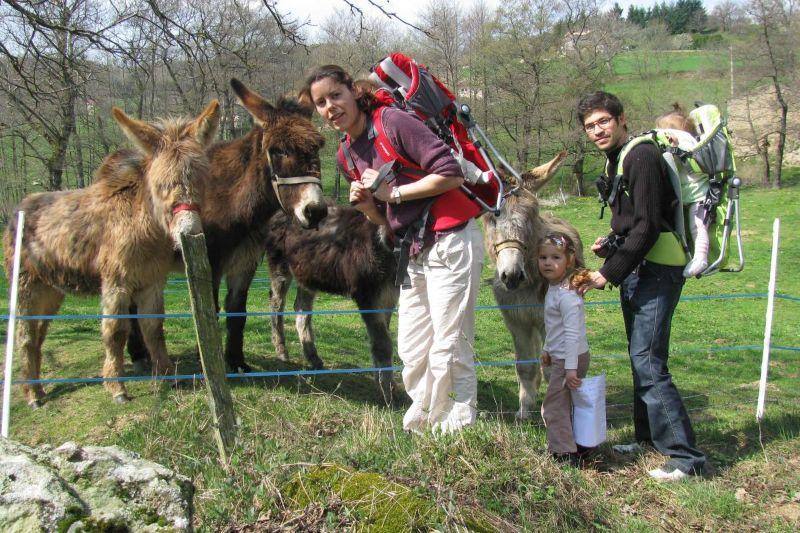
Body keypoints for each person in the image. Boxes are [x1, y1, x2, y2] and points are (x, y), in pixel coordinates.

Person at [299, 65, 484, 434]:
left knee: (450, 341)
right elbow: (385, 219)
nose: (330, 107)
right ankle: (427, 417)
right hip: (412, 251)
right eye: (321, 103)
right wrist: (367, 204)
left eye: (336, 95)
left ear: (352, 91)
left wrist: (393, 193)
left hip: (451, 239)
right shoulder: (347, 154)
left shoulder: (391, 122)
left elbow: (450, 172)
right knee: (413, 347)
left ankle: (458, 427)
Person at [575, 91, 706, 481]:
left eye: (603, 121)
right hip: (639, 269)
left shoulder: (642, 156)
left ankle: (686, 458)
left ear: (621, 118)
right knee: (640, 357)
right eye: (590, 126)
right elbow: (634, 221)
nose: (597, 130)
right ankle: (648, 438)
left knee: (649, 361)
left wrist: (607, 273)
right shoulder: (618, 158)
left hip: (657, 269)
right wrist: (611, 242)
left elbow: (649, 226)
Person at [538, 232, 592, 466]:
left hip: (570, 359)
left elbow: (572, 334)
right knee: (567, 403)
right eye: (543, 257)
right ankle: (581, 446)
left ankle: (564, 454)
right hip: (562, 356)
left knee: (554, 406)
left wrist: (570, 369)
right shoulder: (555, 288)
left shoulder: (567, 295)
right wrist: (547, 348)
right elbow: (555, 327)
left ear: (569, 260)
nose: (548, 262)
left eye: (555, 257)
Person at [655, 104, 710, 278]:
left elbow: (691, 160)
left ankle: (701, 257)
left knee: (698, 226)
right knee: (688, 228)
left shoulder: (686, 141)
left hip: (698, 195)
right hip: (686, 195)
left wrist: (677, 146)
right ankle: (690, 255)